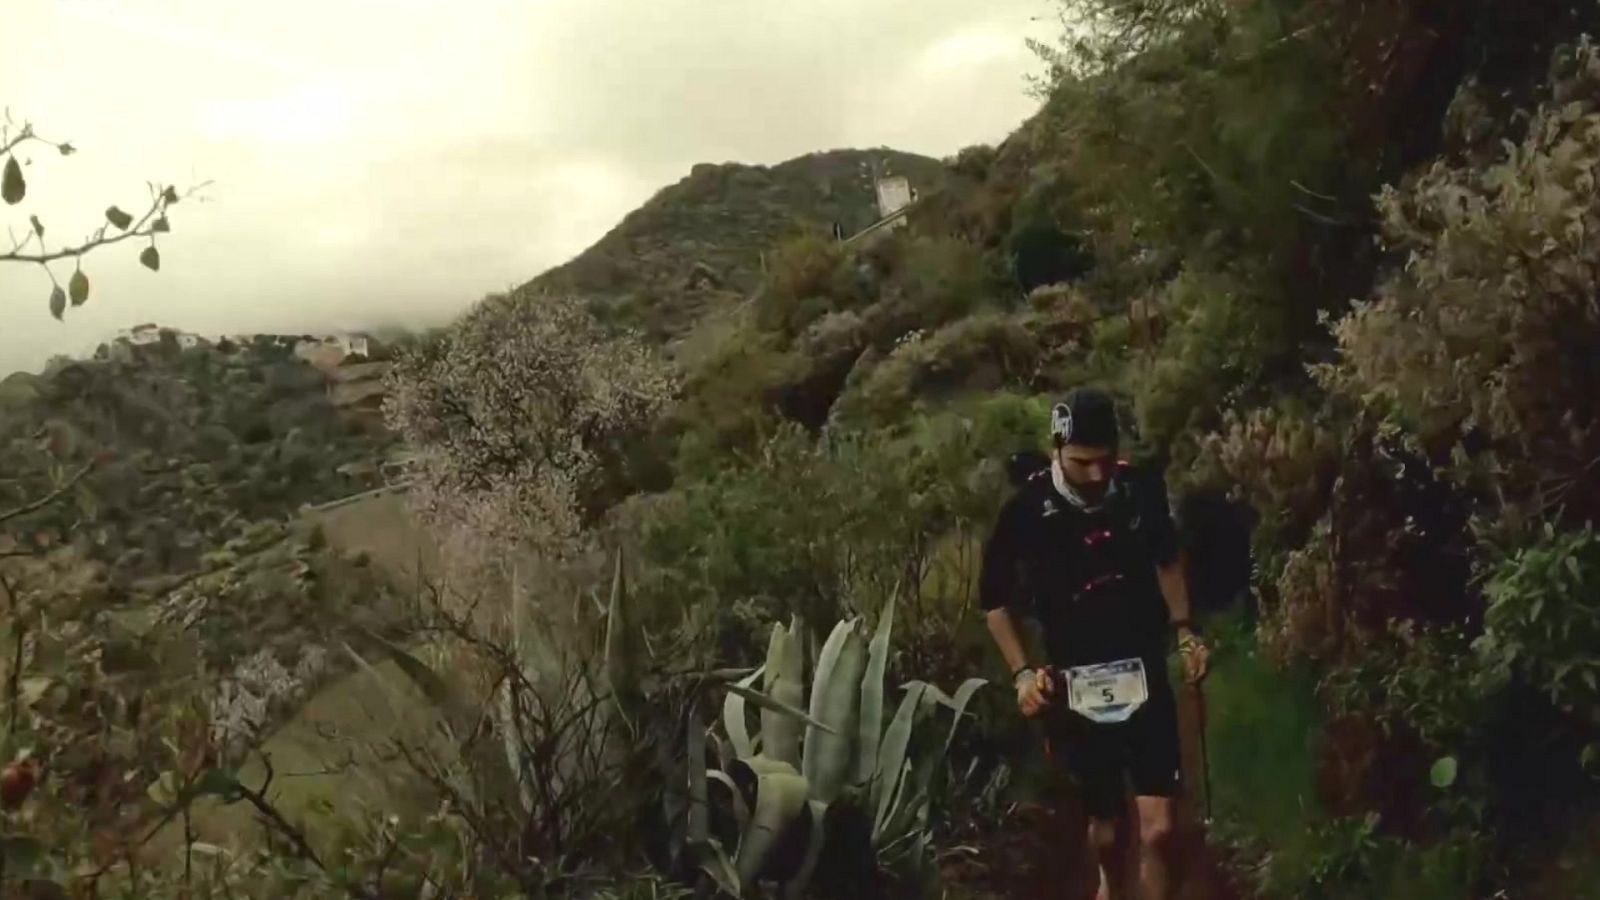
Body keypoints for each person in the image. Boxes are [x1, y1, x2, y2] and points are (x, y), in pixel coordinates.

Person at [979, 387, 1210, 900]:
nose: (1098, 474)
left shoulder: (1139, 489)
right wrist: (1021, 674)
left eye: (1106, 460)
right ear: (1057, 449)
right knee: (1108, 832)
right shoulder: (1025, 510)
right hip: (1075, 682)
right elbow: (994, 603)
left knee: (1161, 829)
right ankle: (1108, 883)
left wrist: (1186, 631)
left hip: (1143, 667)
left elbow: (1166, 560)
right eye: (1083, 462)